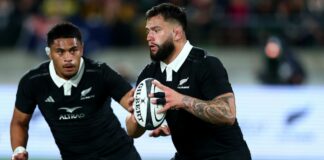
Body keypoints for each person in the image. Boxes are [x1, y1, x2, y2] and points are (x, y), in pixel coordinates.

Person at [126, 3, 251, 160]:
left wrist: (182, 100)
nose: (149, 37)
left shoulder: (206, 64)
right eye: (147, 31)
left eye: (156, 30)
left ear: (177, 33)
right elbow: (131, 131)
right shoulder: (150, 73)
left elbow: (228, 114)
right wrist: (140, 116)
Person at [10, 22, 141, 160]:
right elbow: (19, 122)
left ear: (82, 49)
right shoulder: (33, 81)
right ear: (49, 53)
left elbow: (134, 103)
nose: (68, 58)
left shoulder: (100, 73)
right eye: (60, 52)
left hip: (120, 154)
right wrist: (19, 149)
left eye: (73, 50)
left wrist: (149, 117)